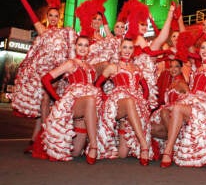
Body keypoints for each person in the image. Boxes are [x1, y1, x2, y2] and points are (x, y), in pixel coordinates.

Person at [6, 0, 76, 154]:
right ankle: (41, 137)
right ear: (47, 17)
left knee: (47, 106)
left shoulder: (65, 33)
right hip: (43, 75)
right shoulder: (42, 30)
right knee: (44, 103)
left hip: (59, 75)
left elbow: (73, 52)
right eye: (50, 15)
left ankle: (39, 138)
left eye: (56, 16)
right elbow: (28, 9)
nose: (53, 18)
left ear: (59, 17)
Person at [160, 39, 206, 168]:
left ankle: (168, 150)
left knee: (177, 108)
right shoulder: (199, 68)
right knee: (165, 111)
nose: (205, 51)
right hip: (192, 101)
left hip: (203, 107)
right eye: (203, 48)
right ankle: (174, 143)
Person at [40, 35, 102, 164]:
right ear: (75, 46)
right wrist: (56, 98)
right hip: (73, 103)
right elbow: (45, 79)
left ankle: (88, 143)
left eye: (86, 45)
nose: (83, 48)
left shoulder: (90, 67)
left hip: (87, 110)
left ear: (89, 48)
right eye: (80, 45)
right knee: (90, 100)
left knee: (76, 152)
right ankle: (94, 146)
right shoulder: (70, 63)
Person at [95, 38, 152, 166]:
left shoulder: (137, 67)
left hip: (136, 105)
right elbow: (98, 85)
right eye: (124, 47)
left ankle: (127, 133)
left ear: (133, 50)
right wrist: (106, 99)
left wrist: (144, 102)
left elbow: (146, 88)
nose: (127, 51)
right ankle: (144, 145)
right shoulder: (113, 67)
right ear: (120, 49)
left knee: (122, 154)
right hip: (118, 103)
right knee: (129, 102)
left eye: (130, 48)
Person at [150, 58, 190, 157]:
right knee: (150, 129)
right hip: (168, 118)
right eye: (171, 67)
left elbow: (190, 98)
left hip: (176, 118)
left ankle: (173, 144)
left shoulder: (181, 83)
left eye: (176, 66)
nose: (173, 69)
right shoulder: (172, 83)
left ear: (181, 69)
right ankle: (177, 140)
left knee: (164, 112)